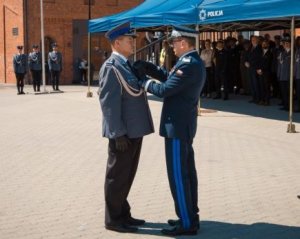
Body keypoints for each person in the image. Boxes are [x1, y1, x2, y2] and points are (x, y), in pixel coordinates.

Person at [133, 25, 206, 236]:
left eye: (174, 43)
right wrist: (149, 67)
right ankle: (190, 215)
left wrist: (143, 82)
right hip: (182, 126)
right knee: (187, 173)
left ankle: (186, 223)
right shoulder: (189, 62)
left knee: (179, 176)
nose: (172, 46)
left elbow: (165, 90)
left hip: (177, 128)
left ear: (183, 42)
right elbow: (168, 77)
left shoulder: (189, 65)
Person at [98, 21, 154, 233]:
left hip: (134, 130)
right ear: (117, 42)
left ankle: (123, 213)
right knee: (117, 177)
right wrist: (117, 133)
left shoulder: (127, 64)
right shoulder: (111, 67)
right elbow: (108, 103)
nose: (133, 42)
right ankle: (113, 219)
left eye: (133, 39)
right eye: (130, 40)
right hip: (123, 133)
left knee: (127, 175)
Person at [278, 36, 291, 111]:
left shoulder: (292, 52)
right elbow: (279, 64)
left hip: (288, 76)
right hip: (282, 75)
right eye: (285, 43)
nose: (286, 45)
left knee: (288, 92)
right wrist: (279, 74)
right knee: (283, 91)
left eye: (287, 43)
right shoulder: (282, 53)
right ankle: (285, 105)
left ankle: (289, 106)